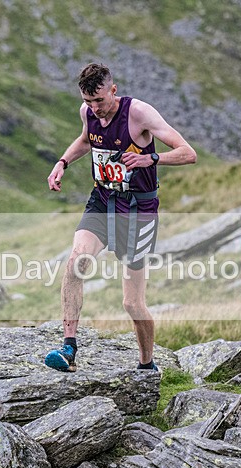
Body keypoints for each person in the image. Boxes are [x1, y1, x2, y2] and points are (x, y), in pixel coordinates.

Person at [44, 63, 197, 372]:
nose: (94, 108)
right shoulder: (88, 113)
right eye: (88, 102)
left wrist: (150, 158)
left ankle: (146, 363)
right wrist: (62, 162)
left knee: (132, 302)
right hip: (103, 199)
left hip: (139, 209)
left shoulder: (139, 113)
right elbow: (87, 140)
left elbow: (188, 152)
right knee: (76, 262)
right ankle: (69, 348)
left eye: (99, 101)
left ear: (113, 90)